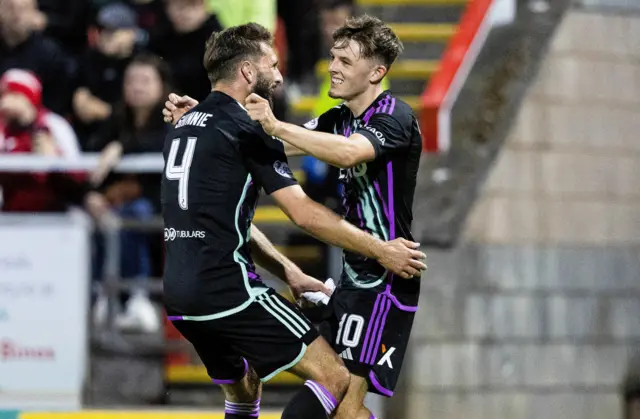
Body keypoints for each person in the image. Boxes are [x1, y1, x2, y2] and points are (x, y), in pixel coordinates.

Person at [163, 15, 423, 419]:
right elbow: (278, 142)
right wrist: (216, 120)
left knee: (340, 405)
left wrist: (258, 123)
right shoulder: (338, 118)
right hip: (355, 271)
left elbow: (348, 153)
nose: (332, 67)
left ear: (376, 73)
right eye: (333, 57)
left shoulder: (395, 116)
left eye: (345, 61)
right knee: (341, 405)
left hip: (384, 277)